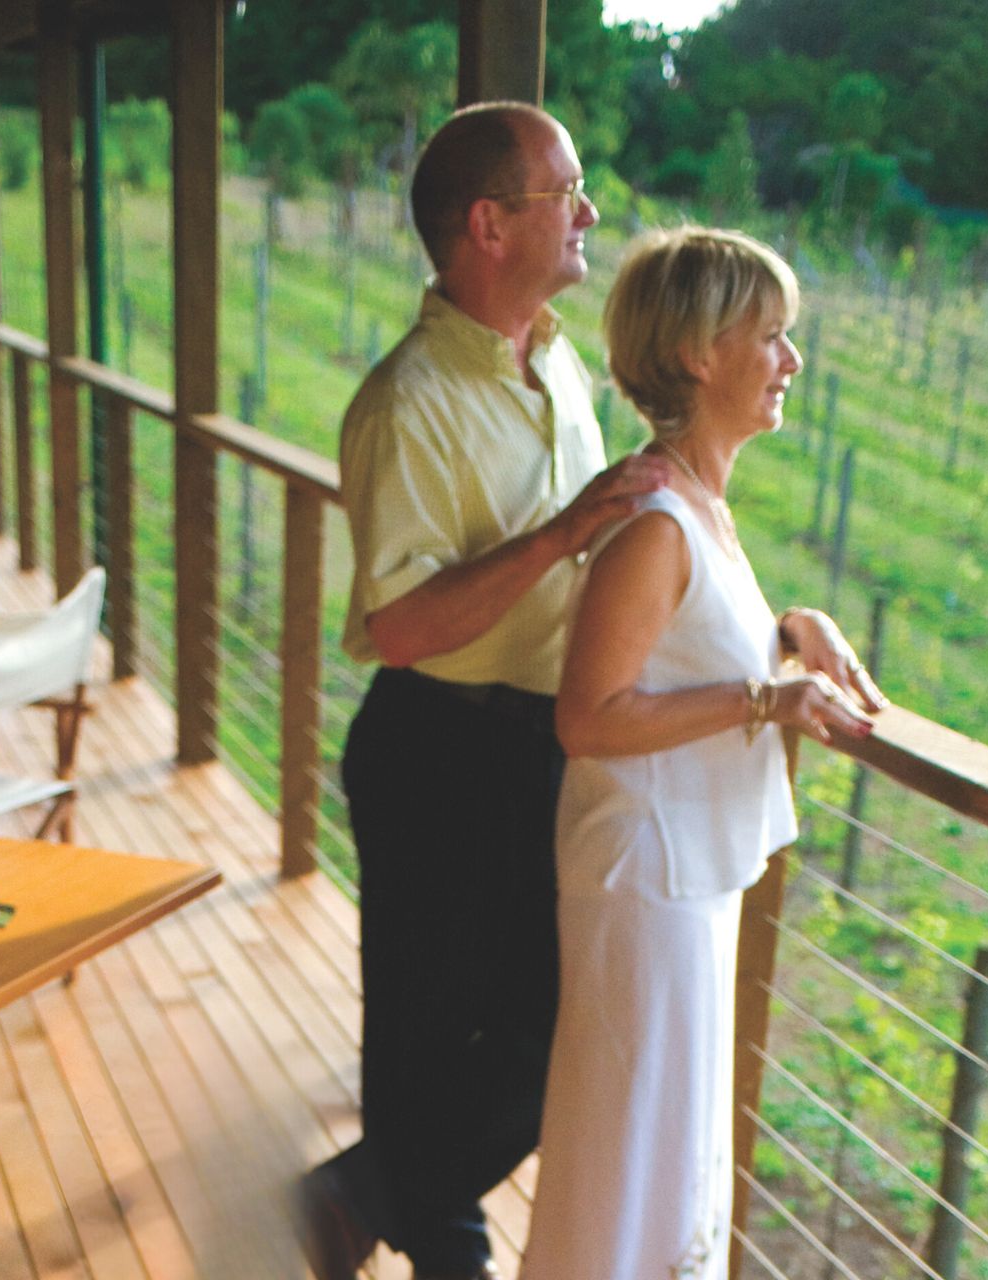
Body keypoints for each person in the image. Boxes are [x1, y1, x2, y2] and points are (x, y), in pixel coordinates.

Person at [301, 103, 673, 1280]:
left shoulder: (552, 355)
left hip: (537, 743)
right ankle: (440, 1242)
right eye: (567, 191)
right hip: (437, 747)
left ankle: (379, 1185)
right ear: (490, 222)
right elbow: (400, 625)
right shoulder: (405, 402)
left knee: (554, 1020)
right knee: (420, 1027)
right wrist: (562, 533)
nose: (590, 211)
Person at [516, 226, 887, 1280]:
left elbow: (679, 641)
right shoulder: (654, 522)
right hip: (647, 885)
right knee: (624, 1169)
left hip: (686, 881)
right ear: (698, 353)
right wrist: (765, 694)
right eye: (771, 334)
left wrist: (785, 628)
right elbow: (588, 715)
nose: (791, 360)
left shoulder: (697, 506)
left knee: (662, 1165)